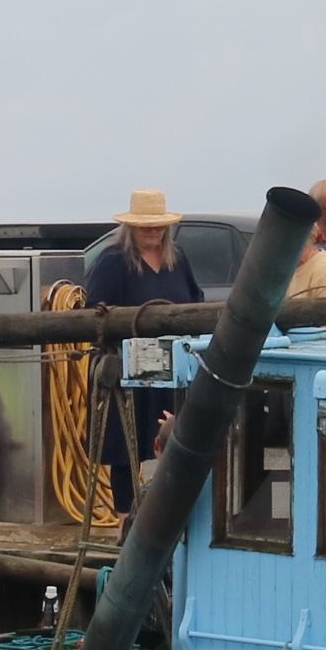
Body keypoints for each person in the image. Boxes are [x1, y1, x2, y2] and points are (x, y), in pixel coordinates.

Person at [82, 189, 202, 513]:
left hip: (174, 364)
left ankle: (175, 511)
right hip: (130, 365)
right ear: (132, 226)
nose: (153, 230)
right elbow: (95, 313)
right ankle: (125, 520)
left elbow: (197, 302)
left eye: (158, 224)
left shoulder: (178, 259)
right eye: (146, 225)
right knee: (126, 445)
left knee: (177, 437)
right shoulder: (113, 261)